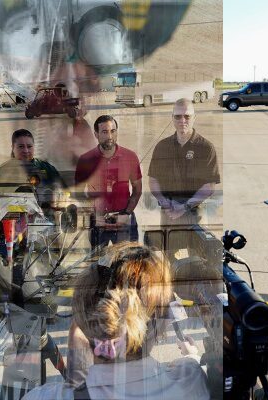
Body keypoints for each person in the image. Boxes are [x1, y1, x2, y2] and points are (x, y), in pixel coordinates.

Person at [23, 243, 210, 400]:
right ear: (162, 325)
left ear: (84, 323)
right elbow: (192, 369)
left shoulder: (41, 397)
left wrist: (77, 375)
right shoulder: (193, 382)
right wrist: (191, 356)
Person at [148, 98, 220, 261]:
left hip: (195, 211)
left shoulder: (206, 147)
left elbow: (209, 186)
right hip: (169, 211)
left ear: (194, 117)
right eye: (178, 116)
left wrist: (184, 206)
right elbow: (153, 180)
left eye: (187, 116)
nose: (182, 120)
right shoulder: (162, 146)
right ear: (172, 118)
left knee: (200, 260)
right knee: (171, 258)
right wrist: (165, 203)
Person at [75, 115, 142, 249]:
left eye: (113, 131)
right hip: (98, 222)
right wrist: (94, 214)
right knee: (99, 260)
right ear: (96, 134)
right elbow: (79, 193)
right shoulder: (85, 160)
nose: (109, 136)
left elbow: (137, 190)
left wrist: (126, 213)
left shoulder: (130, 156)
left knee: (128, 260)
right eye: (105, 132)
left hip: (124, 220)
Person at [0, 129, 65, 212]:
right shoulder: (2, 172)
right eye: (21, 146)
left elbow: (65, 194)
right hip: (12, 218)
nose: (26, 151)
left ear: (34, 147)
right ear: (13, 147)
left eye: (29, 146)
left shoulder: (47, 168)